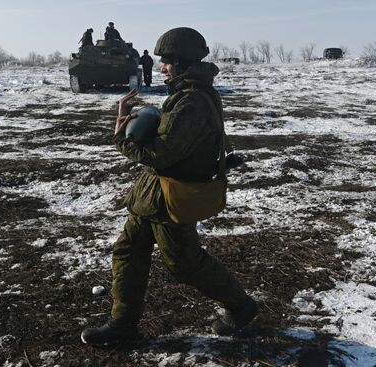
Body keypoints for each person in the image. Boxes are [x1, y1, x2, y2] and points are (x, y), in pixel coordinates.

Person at [81, 27, 258, 346]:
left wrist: (122, 137)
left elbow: (161, 154)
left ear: (181, 61)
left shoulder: (191, 102)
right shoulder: (188, 95)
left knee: (185, 263)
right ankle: (123, 325)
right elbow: (171, 138)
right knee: (128, 252)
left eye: (166, 61)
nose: (161, 67)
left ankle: (240, 307)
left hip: (170, 199)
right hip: (154, 197)